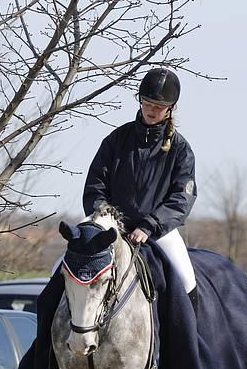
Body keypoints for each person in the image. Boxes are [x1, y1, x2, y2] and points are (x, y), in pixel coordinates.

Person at [83, 67, 198, 311]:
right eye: (147, 102)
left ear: (170, 108)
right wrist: (106, 218)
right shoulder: (116, 140)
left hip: (158, 231)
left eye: (158, 105)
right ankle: (43, 348)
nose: (151, 109)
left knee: (187, 281)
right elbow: (95, 186)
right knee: (59, 271)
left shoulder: (180, 150)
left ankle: (193, 346)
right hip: (111, 227)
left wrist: (149, 225)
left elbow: (181, 199)